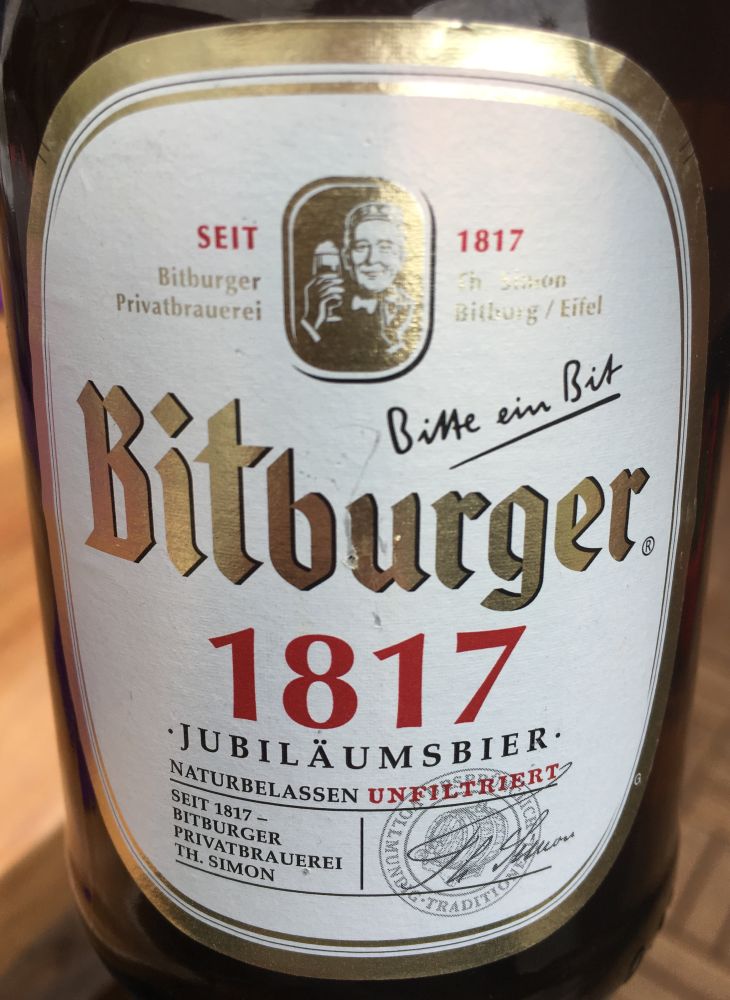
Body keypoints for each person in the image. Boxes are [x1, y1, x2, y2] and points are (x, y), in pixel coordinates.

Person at [299, 201, 415, 369]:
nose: (372, 259)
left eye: (385, 247)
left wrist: (393, 338)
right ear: (347, 258)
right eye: (362, 247)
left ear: (401, 257)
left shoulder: (411, 312)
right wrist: (310, 321)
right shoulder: (326, 308)